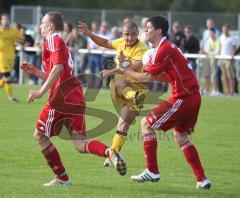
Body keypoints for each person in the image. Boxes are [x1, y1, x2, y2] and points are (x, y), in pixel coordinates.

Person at [20, 12, 126, 187]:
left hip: (62, 96)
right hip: (74, 94)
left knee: (40, 135)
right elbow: (57, 72)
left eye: (42, 23)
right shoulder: (59, 43)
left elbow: (59, 68)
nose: (40, 26)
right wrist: (35, 71)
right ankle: (110, 152)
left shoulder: (53, 39)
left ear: (51, 26)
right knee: (80, 144)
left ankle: (63, 179)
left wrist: (40, 91)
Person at [116, 16, 211, 189]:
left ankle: (152, 171)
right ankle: (202, 180)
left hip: (183, 96)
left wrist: (125, 68)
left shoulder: (163, 49)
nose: (145, 31)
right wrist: (128, 66)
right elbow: (164, 76)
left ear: (159, 31)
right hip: (192, 96)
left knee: (146, 123)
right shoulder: (166, 49)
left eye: (148, 27)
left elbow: (147, 77)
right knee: (181, 137)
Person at [79, 21, 148, 167]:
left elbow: (134, 66)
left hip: (138, 87)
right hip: (128, 89)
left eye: (133, 34)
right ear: (123, 34)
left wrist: (111, 71)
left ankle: (111, 156)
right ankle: (111, 157)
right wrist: (89, 34)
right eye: (126, 34)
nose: (129, 38)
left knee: (123, 124)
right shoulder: (121, 42)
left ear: (138, 34)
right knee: (117, 81)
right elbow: (105, 42)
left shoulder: (142, 48)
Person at [0, 13, 22, 102]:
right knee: (7, 77)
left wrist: (19, 42)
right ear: (1, 20)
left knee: (5, 79)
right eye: (4, 19)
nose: (6, 20)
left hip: (11, 57)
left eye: (7, 19)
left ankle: (11, 97)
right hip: (1, 57)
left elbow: (21, 38)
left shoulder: (13, 30)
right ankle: (11, 97)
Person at [219, 23, 237, 96]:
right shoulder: (221, 37)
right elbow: (220, 47)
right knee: (225, 76)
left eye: (226, 29)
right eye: (223, 29)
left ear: (228, 30)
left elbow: (234, 48)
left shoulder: (232, 38)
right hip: (222, 59)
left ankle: (232, 92)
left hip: (228, 59)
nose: (225, 31)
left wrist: (233, 55)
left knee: (230, 76)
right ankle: (228, 91)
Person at [202, 28, 221, 96]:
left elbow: (217, 52)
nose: (211, 34)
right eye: (210, 33)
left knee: (214, 75)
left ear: (215, 33)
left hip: (215, 61)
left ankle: (215, 90)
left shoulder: (218, 41)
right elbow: (207, 50)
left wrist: (208, 53)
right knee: (207, 75)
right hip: (208, 60)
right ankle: (208, 90)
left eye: (212, 33)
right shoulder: (209, 40)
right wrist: (208, 53)